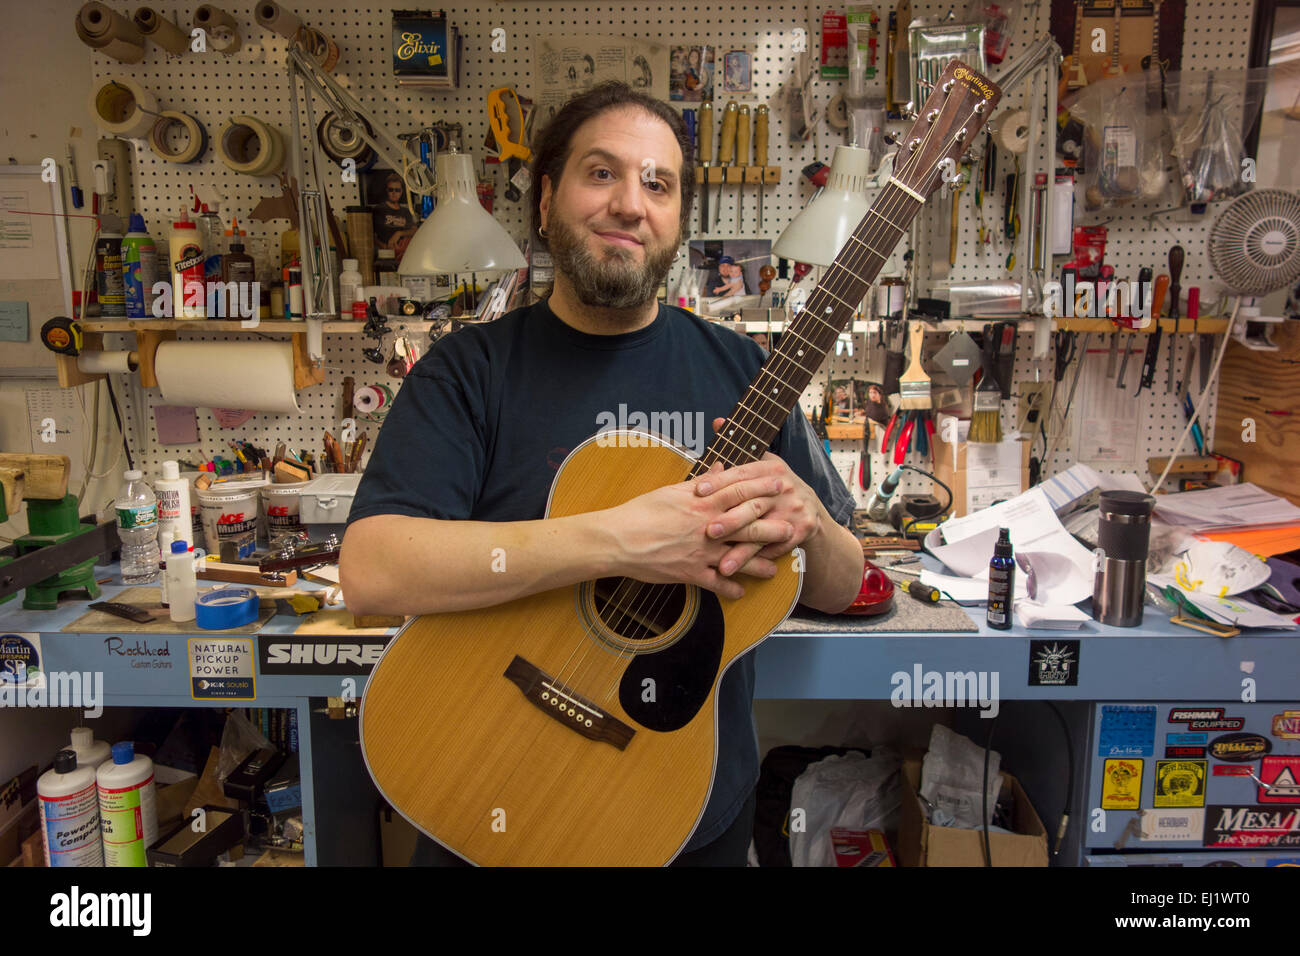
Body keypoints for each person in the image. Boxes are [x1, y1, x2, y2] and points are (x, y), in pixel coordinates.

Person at [341, 81, 865, 867]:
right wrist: (618, 543)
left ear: (679, 220)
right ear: (548, 198)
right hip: (483, 776)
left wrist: (811, 520)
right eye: (601, 173)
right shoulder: (470, 370)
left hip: (678, 811)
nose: (630, 203)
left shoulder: (747, 374)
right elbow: (372, 572)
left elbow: (840, 584)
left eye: (658, 184)